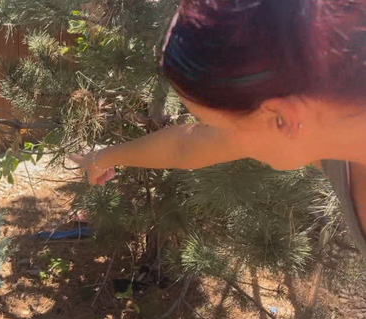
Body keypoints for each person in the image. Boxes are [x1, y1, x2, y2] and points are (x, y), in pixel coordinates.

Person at [71, 0, 366, 254]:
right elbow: (185, 145)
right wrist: (103, 157)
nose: (214, 135)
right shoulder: (328, 131)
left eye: (215, 124)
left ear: (283, 118)